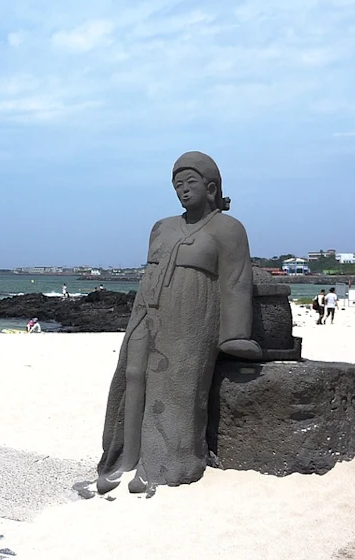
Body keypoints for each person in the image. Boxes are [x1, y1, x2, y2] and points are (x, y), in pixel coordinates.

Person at [98, 151, 259, 495]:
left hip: (193, 316)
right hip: (147, 309)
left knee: (176, 387)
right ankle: (123, 460)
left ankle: (165, 465)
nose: (183, 190)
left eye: (190, 183)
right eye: (177, 185)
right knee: (133, 374)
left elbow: (236, 282)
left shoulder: (229, 229)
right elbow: (150, 271)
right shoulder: (162, 226)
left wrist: (235, 335)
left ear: (211, 187)